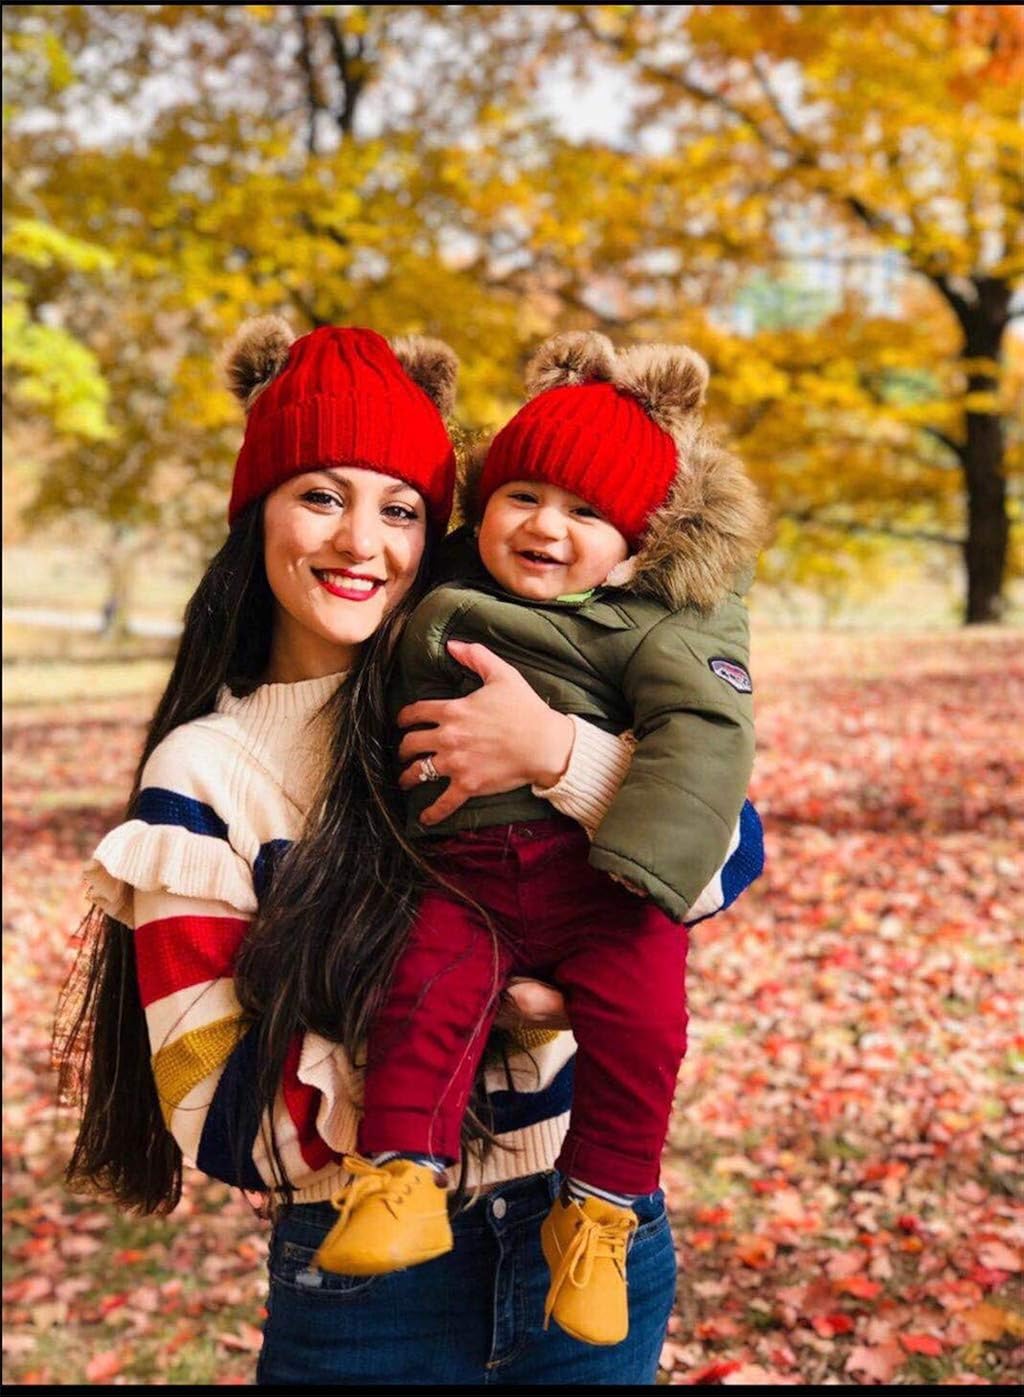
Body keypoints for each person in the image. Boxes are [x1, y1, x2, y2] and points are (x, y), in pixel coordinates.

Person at [55, 316, 762, 1387]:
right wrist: (493, 1031)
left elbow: (719, 858)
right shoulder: (208, 769)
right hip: (369, 1286)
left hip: (595, 1237)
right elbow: (218, 1105)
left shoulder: (512, 678)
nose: (361, 542)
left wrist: (559, 754)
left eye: (402, 508)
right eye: (320, 496)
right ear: (257, 511)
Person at [308, 331, 767, 1347]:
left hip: (603, 884)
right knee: (421, 994)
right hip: (462, 870)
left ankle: (599, 1214)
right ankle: (399, 1180)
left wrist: (626, 842)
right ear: (483, 501)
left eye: (586, 511)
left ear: (638, 542)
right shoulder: (443, 582)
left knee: (642, 1032)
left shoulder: (657, 626)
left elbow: (705, 743)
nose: (546, 526)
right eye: (522, 495)